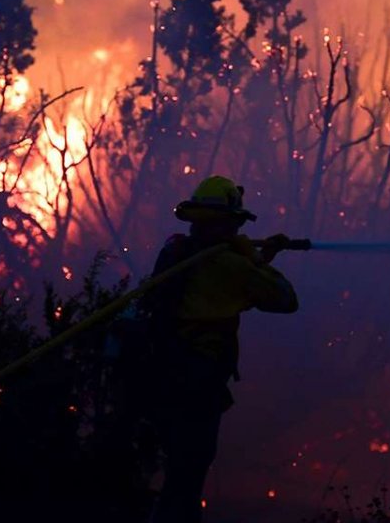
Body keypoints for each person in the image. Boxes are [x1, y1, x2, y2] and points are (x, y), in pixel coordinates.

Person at [141, 175, 298, 522]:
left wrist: (258, 257)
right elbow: (285, 299)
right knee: (187, 477)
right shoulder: (229, 264)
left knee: (176, 475)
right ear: (229, 221)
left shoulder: (177, 251)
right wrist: (254, 261)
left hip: (160, 375)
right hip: (196, 382)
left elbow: (220, 288)